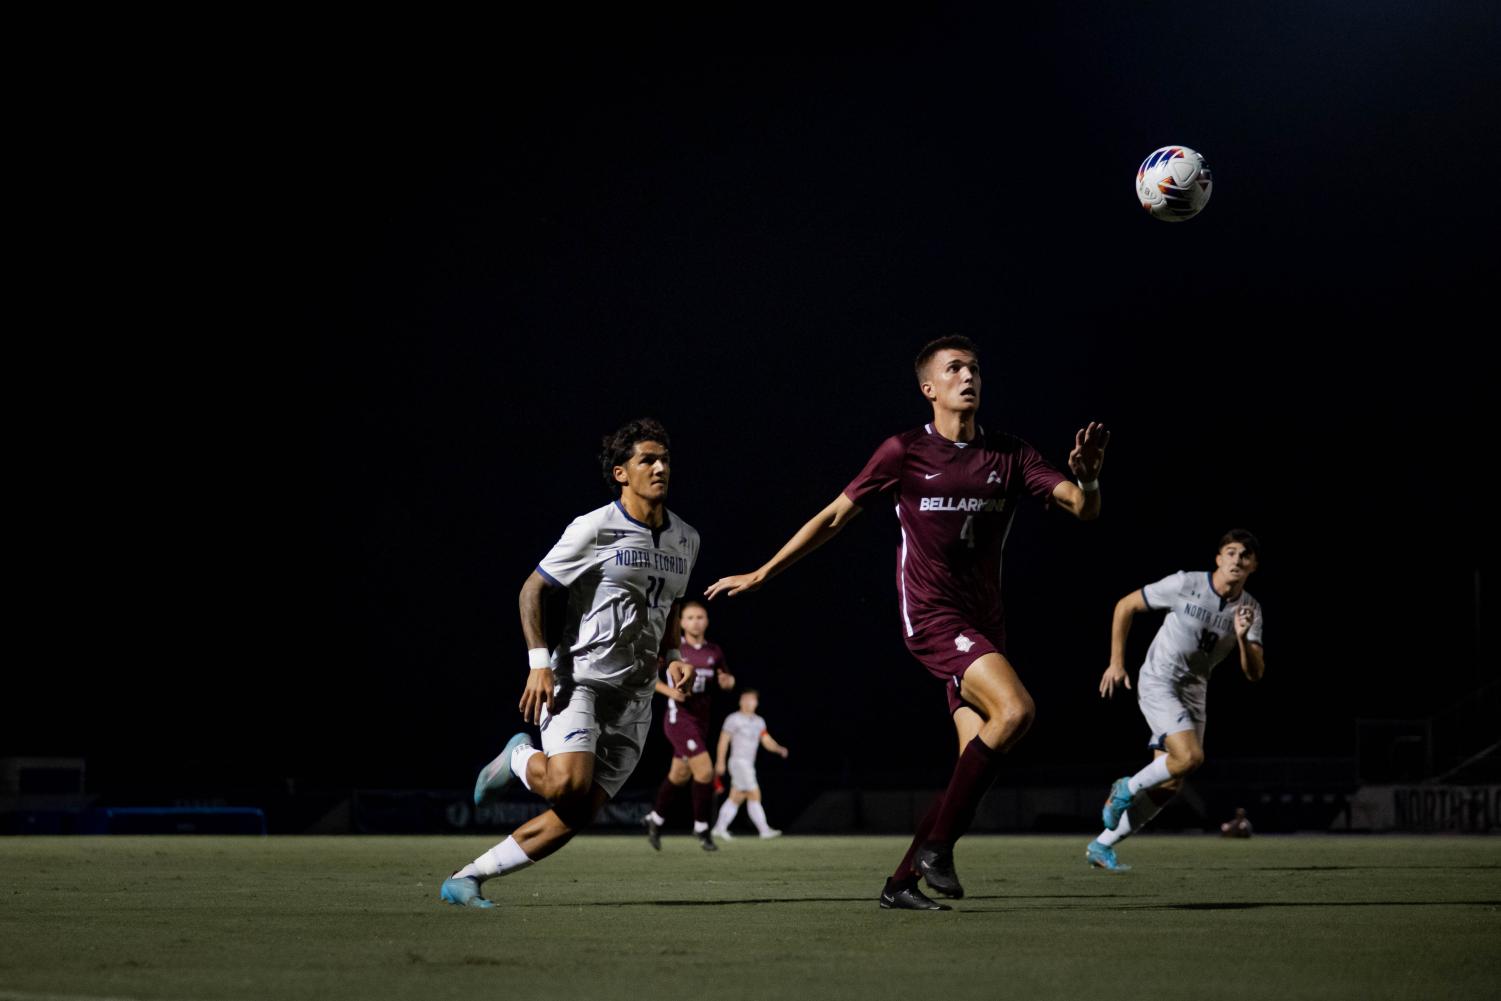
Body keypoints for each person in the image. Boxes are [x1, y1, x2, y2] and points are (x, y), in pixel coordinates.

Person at [707, 335, 1108, 910]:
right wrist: (765, 571)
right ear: (929, 389)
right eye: (953, 369)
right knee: (1018, 710)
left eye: (973, 367)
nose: (967, 376)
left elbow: (1083, 508)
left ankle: (901, 883)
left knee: (973, 765)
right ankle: (938, 848)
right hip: (932, 616)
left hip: (986, 624)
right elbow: (833, 518)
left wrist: (1089, 477)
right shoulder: (903, 452)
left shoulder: (1011, 455)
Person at [440, 418, 701, 907]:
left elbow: (666, 607)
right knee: (567, 785)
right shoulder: (594, 527)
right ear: (621, 473)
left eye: (665, 458)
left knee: (578, 814)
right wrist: (539, 662)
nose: (661, 467)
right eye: (648, 459)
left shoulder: (687, 538)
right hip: (578, 680)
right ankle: (519, 757)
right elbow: (532, 589)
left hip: (637, 697)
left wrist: (671, 655)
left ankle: (465, 879)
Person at [1087, 530, 1265, 871]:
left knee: (1171, 782)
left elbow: (1255, 673)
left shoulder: (1250, 609)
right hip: (1159, 680)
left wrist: (1242, 638)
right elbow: (1126, 605)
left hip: (1195, 691)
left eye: (1245, 556)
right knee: (1191, 757)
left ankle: (1102, 845)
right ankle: (1125, 787)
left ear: (1253, 566)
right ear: (1218, 558)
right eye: (1231, 552)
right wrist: (1116, 662)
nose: (1237, 560)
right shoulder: (1186, 584)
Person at [642, 599, 736, 851]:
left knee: (679, 774)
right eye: (690, 617)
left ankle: (655, 819)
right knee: (705, 771)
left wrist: (728, 682)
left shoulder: (713, 651)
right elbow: (649, 678)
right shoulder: (673, 649)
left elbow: (726, 680)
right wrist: (670, 692)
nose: (696, 621)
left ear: (707, 621)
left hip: (701, 721)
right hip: (678, 720)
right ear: (681, 622)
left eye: (700, 617)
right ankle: (702, 827)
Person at [711, 689, 789, 839]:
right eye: (745, 699)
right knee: (754, 793)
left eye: (751, 699)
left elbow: (766, 741)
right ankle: (764, 830)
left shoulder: (759, 721)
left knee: (737, 796)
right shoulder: (733, 719)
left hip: (748, 764)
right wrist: (720, 762)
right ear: (740, 701)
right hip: (739, 762)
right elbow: (723, 741)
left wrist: (779, 749)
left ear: (756, 703)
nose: (748, 702)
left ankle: (719, 828)